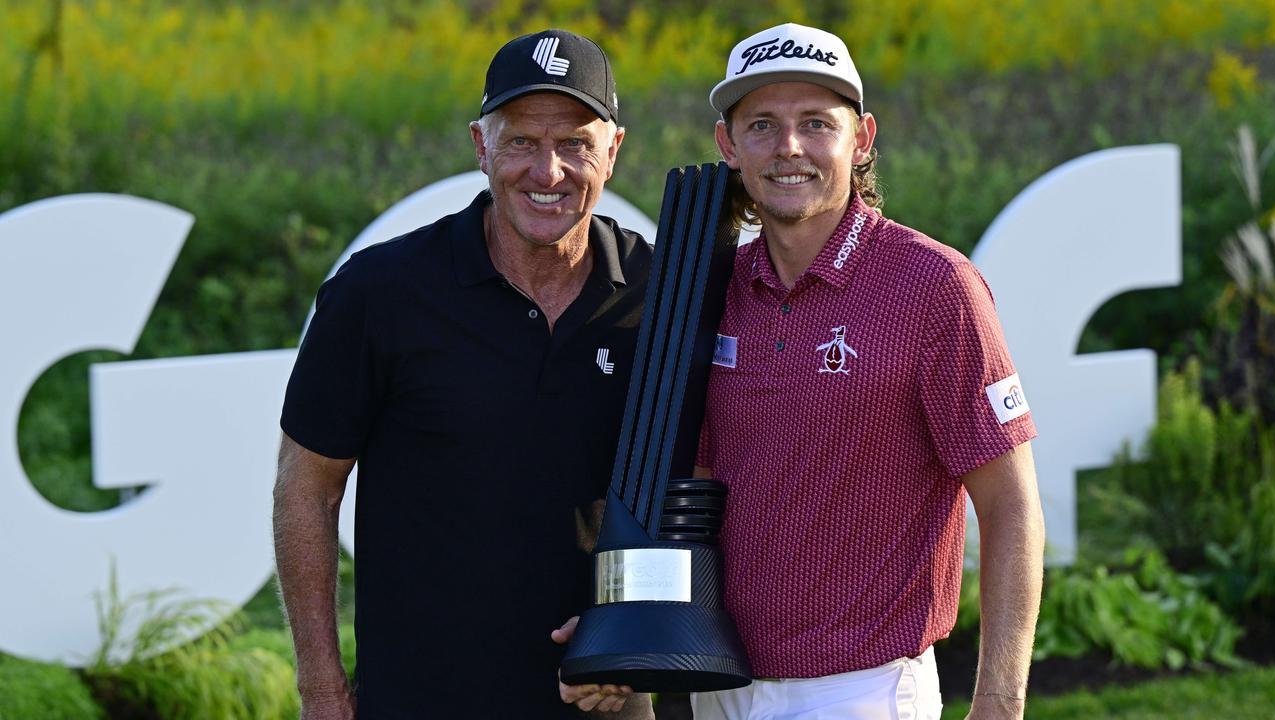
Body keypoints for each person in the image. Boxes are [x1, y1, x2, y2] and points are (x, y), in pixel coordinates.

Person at [273, 29, 654, 719]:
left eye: (575, 143)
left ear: (613, 152)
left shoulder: (659, 294)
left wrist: (636, 627)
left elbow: (701, 485)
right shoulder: (380, 293)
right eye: (521, 142)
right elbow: (308, 489)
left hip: (601, 698)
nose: (549, 171)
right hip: (420, 697)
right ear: (481, 146)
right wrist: (321, 688)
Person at [692, 23, 1045, 720]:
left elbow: (1010, 507)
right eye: (762, 125)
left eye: (815, 123)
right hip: (719, 683)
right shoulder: (712, 290)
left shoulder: (935, 286)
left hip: (865, 692)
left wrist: (1001, 702)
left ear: (862, 139)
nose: (788, 148)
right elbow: (697, 489)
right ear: (728, 146)